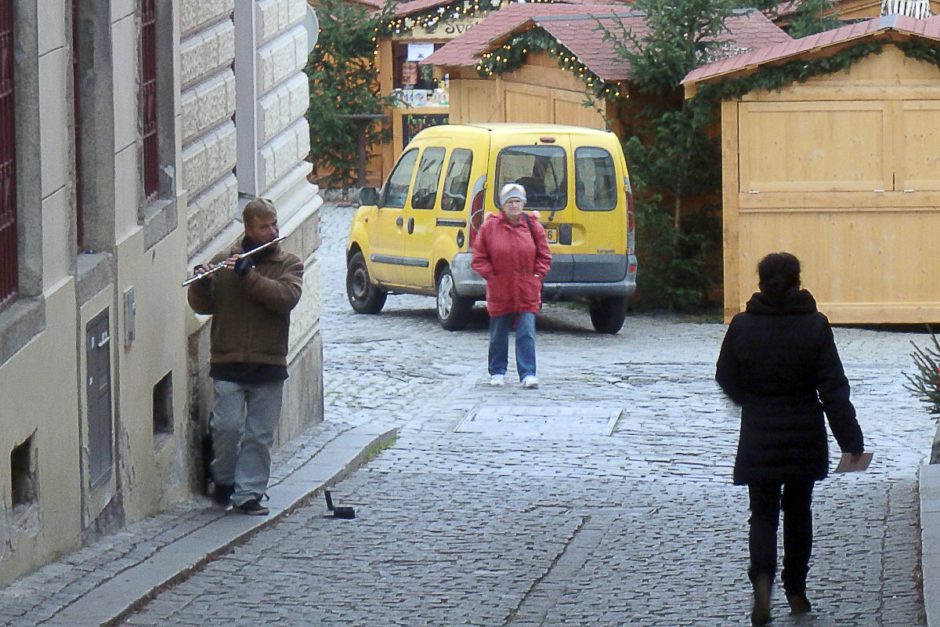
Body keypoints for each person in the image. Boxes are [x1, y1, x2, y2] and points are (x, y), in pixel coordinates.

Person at [715, 252, 865, 625]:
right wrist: (851, 441)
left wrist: (748, 399)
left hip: (758, 431)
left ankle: (761, 581)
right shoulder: (814, 326)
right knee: (798, 513)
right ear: (797, 281)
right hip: (803, 434)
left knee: (762, 515)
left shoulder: (742, 325)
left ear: (760, 283)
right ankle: (795, 590)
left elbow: (724, 374)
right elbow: (833, 389)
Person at [187, 198, 303, 516]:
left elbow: (285, 298)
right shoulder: (226, 261)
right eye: (264, 226)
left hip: (268, 362)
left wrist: (249, 276)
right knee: (226, 427)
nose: (272, 231)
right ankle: (224, 481)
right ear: (248, 228)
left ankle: (249, 493)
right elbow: (202, 305)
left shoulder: (289, 264)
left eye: (274, 224)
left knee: (259, 434)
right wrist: (202, 283)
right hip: (228, 359)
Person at [472, 183, 552, 388]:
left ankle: (528, 373)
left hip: (527, 289)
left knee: (526, 332)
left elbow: (544, 255)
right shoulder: (490, 227)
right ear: (503, 204)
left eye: (517, 201)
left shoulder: (533, 226)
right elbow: (479, 257)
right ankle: (497, 371)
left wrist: (536, 275)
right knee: (498, 333)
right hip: (501, 289)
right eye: (510, 201)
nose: (514, 205)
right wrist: (492, 276)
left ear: (523, 203)